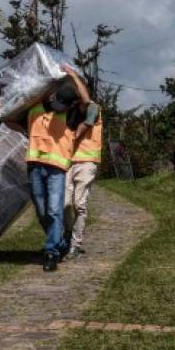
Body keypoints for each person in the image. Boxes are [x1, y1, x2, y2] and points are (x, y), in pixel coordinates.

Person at [0, 65, 86, 272]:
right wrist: (4, 113)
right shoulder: (34, 106)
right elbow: (8, 118)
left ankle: (51, 253)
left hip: (56, 169)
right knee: (41, 212)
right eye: (57, 103)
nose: (59, 108)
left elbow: (86, 101)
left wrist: (73, 76)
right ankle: (61, 243)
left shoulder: (72, 115)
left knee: (54, 211)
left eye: (63, 106)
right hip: (35, 166)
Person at [65, 80, 101, 260]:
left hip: (87, 161)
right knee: (65, 204)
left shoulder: (94, 108)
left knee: (79, 204)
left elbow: (85, 124)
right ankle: (67, 235)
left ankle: (76, 244)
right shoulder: (68, 111)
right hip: (67, 161)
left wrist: (73, 137)